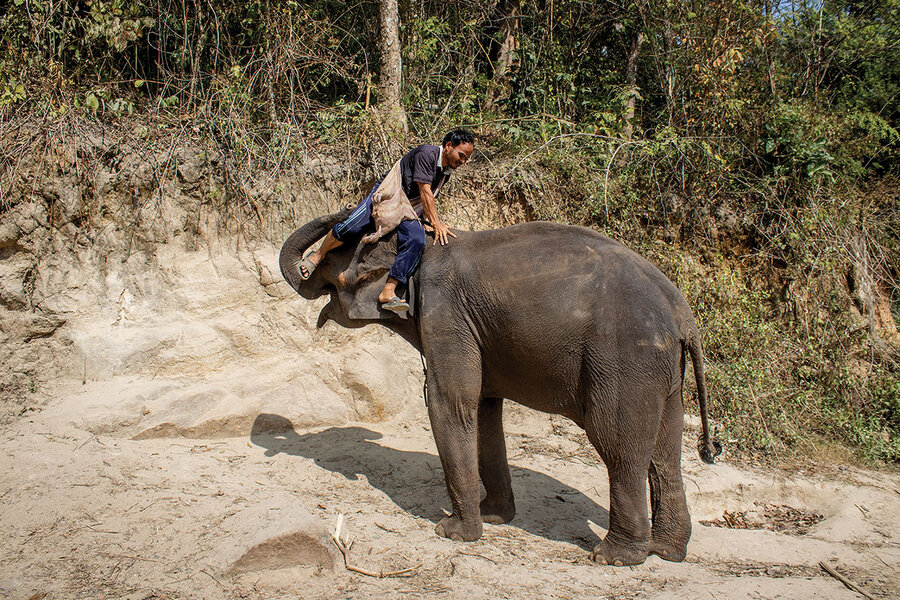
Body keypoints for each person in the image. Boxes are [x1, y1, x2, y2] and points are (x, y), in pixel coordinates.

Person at [299, 129, 475, 312]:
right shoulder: (427, 154)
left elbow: (424, 198)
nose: (462, 162)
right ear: (448, 146)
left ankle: (389, 290)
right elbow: (425, 192)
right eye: (461, 155)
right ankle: (318, 255)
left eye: (466, 159)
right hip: (389, 195)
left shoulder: (444, 172)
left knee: (416, 239)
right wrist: (437, 222)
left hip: (409, 208)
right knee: (352, 225)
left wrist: (430, 222)